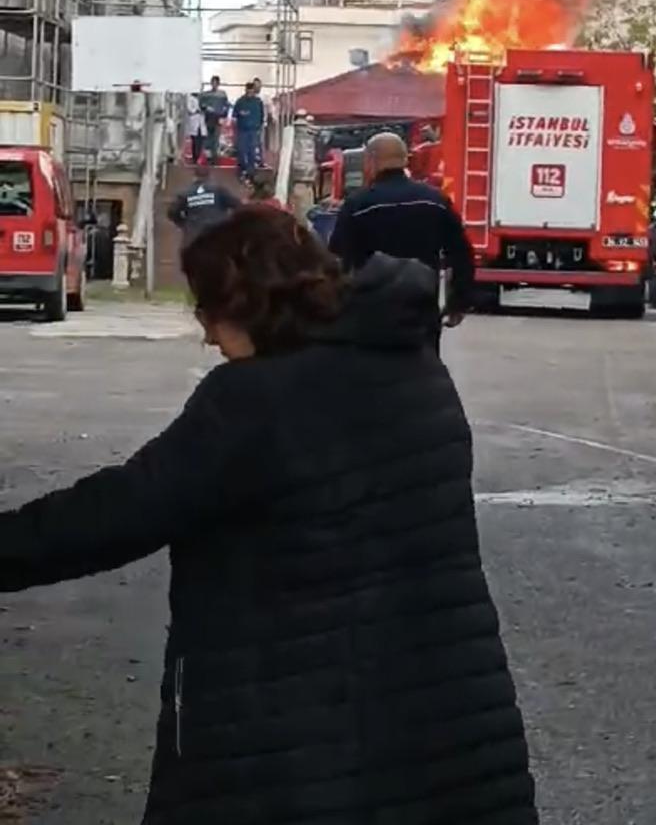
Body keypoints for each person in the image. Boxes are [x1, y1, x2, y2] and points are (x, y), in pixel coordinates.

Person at [0, 207, 537, 825]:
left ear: (243, 301)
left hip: (293, 741)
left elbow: (119, 511)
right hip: (445, 721)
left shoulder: (253, 402)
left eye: (206, 311)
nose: (206, 335)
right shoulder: (415, 370)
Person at [329, 131, 474, 353]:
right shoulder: (435, 201)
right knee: (423, 371)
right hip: (422, 306)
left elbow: (338, 259)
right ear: (406, 159)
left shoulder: (358, 204)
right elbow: (461, 253)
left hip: (371, 310)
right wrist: (458, 302)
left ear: (370, 161)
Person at [167, 163, 240, 243]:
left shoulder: (185, 194)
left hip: (194, 236)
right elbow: (237, 205)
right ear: (209, 177)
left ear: (194, 178)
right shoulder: (219, 190)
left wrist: (184, 223)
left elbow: (172, 212)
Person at [232, 81, 264, 178]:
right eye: (248, 91)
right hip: (242, 130)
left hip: (254, 130)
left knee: (252, 152)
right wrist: (241, 114)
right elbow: (234, 115)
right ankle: (242, 169)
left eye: (252, 91)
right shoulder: (240, 101)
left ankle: (251, 172)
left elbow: (262, 116)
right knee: (241, 150)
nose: (250, 93)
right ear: (245, 90)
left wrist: (259, 127)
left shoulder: (258, 102)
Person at [198, 75, 229, 165]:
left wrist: (223, 115)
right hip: (208, 118)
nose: (214, 84)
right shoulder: (206, 94)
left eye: (216, 83)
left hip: (218, 118)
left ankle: (215, 158)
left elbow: (226, 106)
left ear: (218, 84)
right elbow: (200, 104)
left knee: (216, 138)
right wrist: (206, 108)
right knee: (208, 138)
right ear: (211, 83)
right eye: (213, 82)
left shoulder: (222, 94)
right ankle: (208, 157)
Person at [185, 93, 206, 165]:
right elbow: (190, 109)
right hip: (194, 122)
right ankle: (195, 159)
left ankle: (198, 158)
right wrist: (197, 110)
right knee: (195, 142)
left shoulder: (201, 98)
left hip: (201, 124)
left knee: (201, 142)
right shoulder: (189, 98)